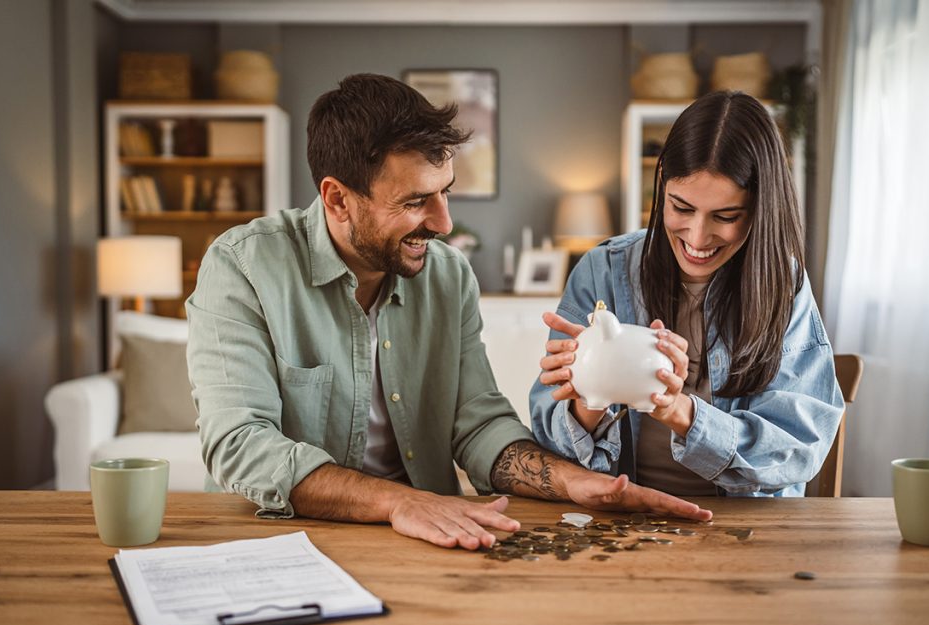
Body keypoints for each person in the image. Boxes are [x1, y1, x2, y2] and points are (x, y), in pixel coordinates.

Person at [186, 73, 712, 553]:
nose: (443, 222)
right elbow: (239, 444)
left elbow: (478, 423)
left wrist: (572, 481)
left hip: (431, 539)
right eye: (416, 201)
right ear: (338, 198)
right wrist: (398, 501)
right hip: (277, 542)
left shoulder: (447, 275)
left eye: (446, 193)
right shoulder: (242, 267)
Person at [532, 91, 844, 497]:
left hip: (748, 528)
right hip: (626, 517)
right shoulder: (602, 271)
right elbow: (548, 447)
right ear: (661, 191)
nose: (697, 238)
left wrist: (680, 411)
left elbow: (799, 448)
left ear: (761, 210)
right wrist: (588, 397)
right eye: (680, 208)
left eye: (726, 216)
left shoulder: (783, 286)